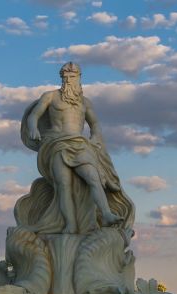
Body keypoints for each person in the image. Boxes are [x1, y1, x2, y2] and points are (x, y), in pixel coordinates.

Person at [20, 61, 134, 235]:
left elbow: (94, 123)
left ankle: (106, 214)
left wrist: (95, 136)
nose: (68, 80)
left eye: (72, 76)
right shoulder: (50, 96)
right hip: (56, 144)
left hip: (80, 144)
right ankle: (70, 225)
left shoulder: (85, 102)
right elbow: (34, 115)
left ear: (79, 78)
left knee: (93, 178)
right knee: (63, 185)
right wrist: (33, 127)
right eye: (65, 76)